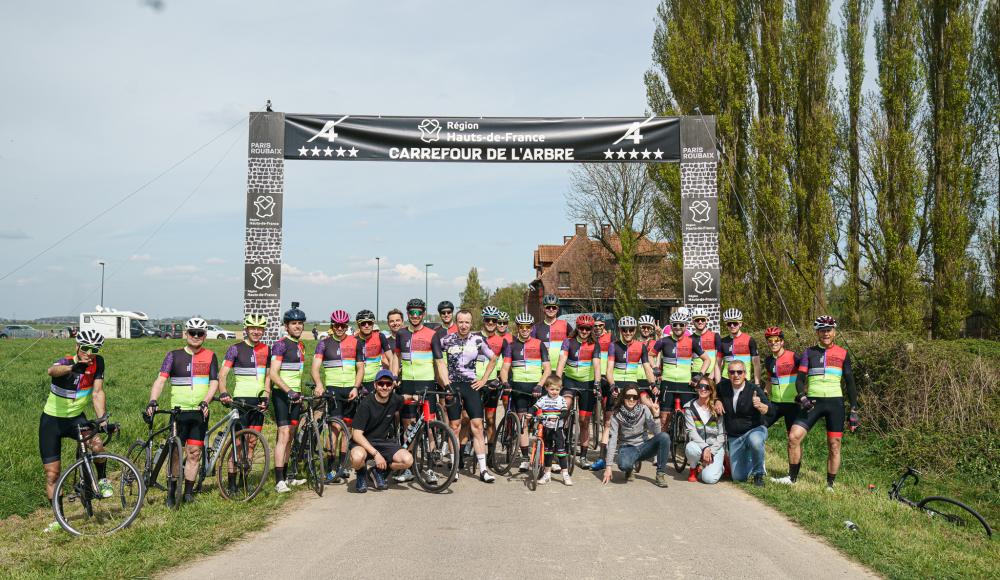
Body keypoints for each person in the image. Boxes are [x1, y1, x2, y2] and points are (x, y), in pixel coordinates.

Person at [40, 330, 109, 532]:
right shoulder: (66, 361)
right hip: (52, 421)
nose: (90, 353)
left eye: (94, 349)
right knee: (52, 474)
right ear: (77, 346)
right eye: (86, 348)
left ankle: (103, 480)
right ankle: (59, 519)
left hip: (76, 419)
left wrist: (102, 419)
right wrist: (72, 368)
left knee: (97, 444)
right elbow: (52, 371)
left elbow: (97, 393)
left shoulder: (98, 363)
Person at [779, 316, 859, 490]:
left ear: (834, 332)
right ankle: (792, 478)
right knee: (793, 437)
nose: (826, 333)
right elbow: (800, 379)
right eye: (822, 330)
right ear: (817, 332)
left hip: (835, 403)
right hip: (813, 402)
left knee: (834, 445)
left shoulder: (843, 353)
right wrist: (802, 396)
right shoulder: (809, 352)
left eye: (829, 330)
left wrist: (854, 410)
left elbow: (850, 383)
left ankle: (830, 484)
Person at [146, 317, 220, 504]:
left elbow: (214, 382)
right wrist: (153, 400)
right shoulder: (173, 355)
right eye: (192, 333)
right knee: (176, 454)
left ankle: (188, 492)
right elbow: (161, 380)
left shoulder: (211, 356)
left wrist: (206, 401)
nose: (196, 336)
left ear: (204, 336)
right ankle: (171, 492)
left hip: (199, 412)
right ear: (186, 334)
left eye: (200, 333)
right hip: (178, 413)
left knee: (194, 452)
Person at [441, 309, 500, 482]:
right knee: (455, 426)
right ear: (456, 322)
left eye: (467, 322)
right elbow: (436, 359)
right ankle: (454, 467)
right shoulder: (446, 340)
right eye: (460, 322)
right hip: (453, 386)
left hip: (471, 386)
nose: (464, 325)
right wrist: (444, 382)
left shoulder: (478, 340)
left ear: (471, 323)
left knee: (477, 426)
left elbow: (493, 359)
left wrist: (483, 380)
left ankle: (483, 470)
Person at [391, 298, 446, 483]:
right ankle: (409, 467)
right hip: (407, 383)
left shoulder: (432, 334)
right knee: (408, 426)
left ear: (423, 314)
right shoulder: (401, 334)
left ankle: (429, 468)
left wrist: (446, 384)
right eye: (412, 313)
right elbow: (396, 357)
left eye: (418, 313)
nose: (415, 316)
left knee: (429, 427)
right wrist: (392, 379)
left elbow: (439, 361)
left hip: (426, 383)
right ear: (408, 314)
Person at [216, 313, 271, 494]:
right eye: (252, 328)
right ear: (246, 329)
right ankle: (231, 485)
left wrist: (266, 396)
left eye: (259, 328)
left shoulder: (266, 349)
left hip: (258, 402)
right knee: (238, 443)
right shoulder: (235, 349)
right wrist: (224, 392)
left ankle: (243, 481)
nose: (256, 331)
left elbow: (269, 376)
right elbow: (222, 374)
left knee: (253, 442)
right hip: (240, 401)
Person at [311, 309, 366, 486]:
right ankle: (331, 466)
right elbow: (315, 367)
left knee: (347, 429)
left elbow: (360, 368)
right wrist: (319, 384)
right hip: (333, 389)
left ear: (346, 325)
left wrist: (356, 387)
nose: (340, 328)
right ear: (332, 325)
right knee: (334, 428)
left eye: (343, 325)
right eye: (336, 325)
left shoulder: (356, 342)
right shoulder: (324, 343)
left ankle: (342, 466)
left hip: (350, 389)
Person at [499, 312, 551, 472]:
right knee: (523, 422)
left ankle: (547, 455)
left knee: (544, 421)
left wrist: (540, 385)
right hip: (519, 389)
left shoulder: (539, 344)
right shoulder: (511, 346)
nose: (525, 329)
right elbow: (505, 368)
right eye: (522, 327)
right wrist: (506, 382)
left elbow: (547, 368)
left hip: (536, 388)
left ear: (531, 328)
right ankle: (525, 458)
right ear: (517, 327)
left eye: (528, 327)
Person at [349, 370, 414, 492]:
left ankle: (377, 471)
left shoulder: (395, 399)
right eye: (381, 384)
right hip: (363, 442)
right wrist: (376, 454)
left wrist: (416, 397)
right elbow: (356, 434)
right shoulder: (366, 404)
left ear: (392, 386)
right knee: (357, 458)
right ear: (375, 385)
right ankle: (361, 473)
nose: (385, 387)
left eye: (388, 384)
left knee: (408, 460)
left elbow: (404, 398)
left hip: (383, 441)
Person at [268, 302, 308, 491]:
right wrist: (288, 391)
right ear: (286, 326)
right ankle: (278, 480)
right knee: (283, 434)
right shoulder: (280, 346)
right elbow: (274, 374)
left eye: (300, 323)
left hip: (296, 396)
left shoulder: (301, 346)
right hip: (283, 395)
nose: (297, 326)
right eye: (293, 323)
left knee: (291, 435)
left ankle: (287, 475)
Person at [554, 313, 602, 468]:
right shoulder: (568, 342)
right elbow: (562, 361)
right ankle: (562, 443)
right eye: (581, 328)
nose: (584, 331)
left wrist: (597, 382)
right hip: (570, 381)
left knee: (584, 421)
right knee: (566, 406)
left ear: (591, 329)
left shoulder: (595, 344)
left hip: (587, 384)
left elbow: (596, 365)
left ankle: (583, 456)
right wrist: (557, 380)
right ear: (577, 327)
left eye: (588, 328)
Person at [653, 310, 711, 432]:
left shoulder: (692, 341)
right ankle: (665, 445)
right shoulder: (664, 341)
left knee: (689, 417)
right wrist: (655, 368)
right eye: (675, 324)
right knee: (664, 419)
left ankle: (689, 443)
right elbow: (649, 355)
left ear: (686, 326)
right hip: (667, 382)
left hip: (686, 383)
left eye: (681, 324)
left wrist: (699, 375)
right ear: (671, 326)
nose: (678, 327)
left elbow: (707, 360)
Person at [601, 385, 670, 487]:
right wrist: (608, 467)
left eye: (635, 397)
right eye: (628, 396)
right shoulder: (616, 414)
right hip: (627, 447)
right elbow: (613, 440)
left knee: (664, 437)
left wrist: (656, 416)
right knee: (624, 465)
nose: (632, 399)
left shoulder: (644, 409)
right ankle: (629, 468)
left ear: (638, 399)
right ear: (623, 397)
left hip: (643, 446)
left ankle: (660, 474)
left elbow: (656, 432)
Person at [715, 360, 771, 486]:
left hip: (754, 429)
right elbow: (714, 394)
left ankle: (759, 474)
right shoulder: (722, 386)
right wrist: (717, 401)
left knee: (755, 442)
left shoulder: (754, 390)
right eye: (732, 372)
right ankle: (753, 457)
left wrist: (761, 406)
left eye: (739, 372)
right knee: (738, 477)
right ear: (728, 374)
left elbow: (770, 410)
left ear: (745, 374)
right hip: (735, 436)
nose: (736, 375)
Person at [607, 316, 657, 414]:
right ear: (620, 330)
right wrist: (612, 385)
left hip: (632, 383)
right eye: (625, 330)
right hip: (617, 382)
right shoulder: (613, 345)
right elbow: (609, 369)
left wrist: (653, 384)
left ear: (635, 330)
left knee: (634, 415)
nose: (628, 332)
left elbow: (647, 368)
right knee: (609, 419)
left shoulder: (641, 346)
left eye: (631, 329)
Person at [476, 306, 510, 446]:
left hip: (491, 384)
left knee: (490, 419)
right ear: (483, 320)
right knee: (470, 419)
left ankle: (490, 455)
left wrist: (504, 381)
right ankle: (467, 450)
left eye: (494, 320)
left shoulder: (503, 342)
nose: (491, 323)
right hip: (474, 382)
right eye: (488, 320)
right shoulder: (474, 337)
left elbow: (505, 365)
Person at [683, 376, 726, 484]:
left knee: (709, 479)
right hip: (699, 445)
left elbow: (722, 434)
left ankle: (718, 468)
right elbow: (691, 431)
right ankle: (693, 468)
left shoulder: (717, 409)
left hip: (715, 447)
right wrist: (705, 447)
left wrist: (711, 451)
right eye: (700, 386)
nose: (703, 389)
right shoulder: (689, 407)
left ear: (711, 390)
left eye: (706, 386)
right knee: (690, 448)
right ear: (697, 388)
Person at [532, 376, 572, 485]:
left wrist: (558, 416)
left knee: (561, 452)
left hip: (557, 429)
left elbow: (564, 412)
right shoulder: (543, 399)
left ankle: (565, 475)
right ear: (546, 388)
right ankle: (547, 474)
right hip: (546, 429)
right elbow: (535, 407)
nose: (554, 392)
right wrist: (530, 413)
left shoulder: (561, 400)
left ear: (560, 389)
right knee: (548, 452)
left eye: (557, 390)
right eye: (552, 389)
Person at [762, 326, 799, 433]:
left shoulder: (793, 357)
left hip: (793, 403)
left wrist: (804, 393)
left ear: (782, 342)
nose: (773, 343)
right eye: (770, 340)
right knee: (759, 426)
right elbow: (769, 379)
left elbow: (805, 375)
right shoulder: (768, 360)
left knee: (793, 439)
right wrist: (764, 393)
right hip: (775, 403)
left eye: (776, 340)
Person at [589, 316, 614, 471]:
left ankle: (603, 454)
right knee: (586, 414)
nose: (597, 328)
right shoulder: (589, 338)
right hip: (593, 378)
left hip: (608, 378)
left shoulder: (611, 337)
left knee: (608, 418)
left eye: (600, 325)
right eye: (595, 326)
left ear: (605, 326)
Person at [356, 309, 393, 395]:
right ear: (358, 324)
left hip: (375, 381)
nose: (366, 325)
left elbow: (391, 358)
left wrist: (391, 378)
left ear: (373, 324)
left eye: (369, 323)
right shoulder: (353, 340)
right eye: (363, 323)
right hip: (357, 381)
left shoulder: (380, 337)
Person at [719, 308, 762, 384]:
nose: (732, 326)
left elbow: (756, 365)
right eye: (729, 323)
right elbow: (718, 365)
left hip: (744, 380)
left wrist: (757, 383)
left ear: (740, 324)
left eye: (735, 323)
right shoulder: (722, 341)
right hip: (726, 380)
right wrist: (718, 383)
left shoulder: (750, 340)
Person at [531, 293, 572, 369]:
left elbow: (574, 344)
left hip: (562, 370)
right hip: (542, 369)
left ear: (558, 309)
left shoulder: (565, 325)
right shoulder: (536, 327)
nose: (551, 309)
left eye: (554, 307)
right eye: (548, 307)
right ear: (543, 308)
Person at [690, 307, 720, 383]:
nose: (700, 322)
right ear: (693, 321)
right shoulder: (689, 339)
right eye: (697, 320)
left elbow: (719, 360)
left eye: (702, 319)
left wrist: (711, 376)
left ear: (707, 320)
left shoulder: (715, 336)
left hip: (711, 375)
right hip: (695, 375)